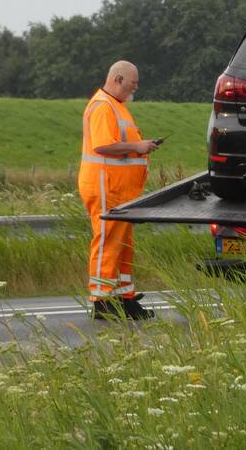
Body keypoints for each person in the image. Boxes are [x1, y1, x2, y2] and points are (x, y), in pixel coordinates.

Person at [78, 60, 160, 320]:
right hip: (106, 185)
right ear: (118, 79)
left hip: (120, 189)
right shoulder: (103, 106)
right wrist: (138, 147)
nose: (134, 89)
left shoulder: (118, 106)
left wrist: (141, 146)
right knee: (108, 242)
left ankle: (125, 299)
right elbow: (103, 146)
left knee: (123, 244)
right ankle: (102, 301)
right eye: (132, 84)